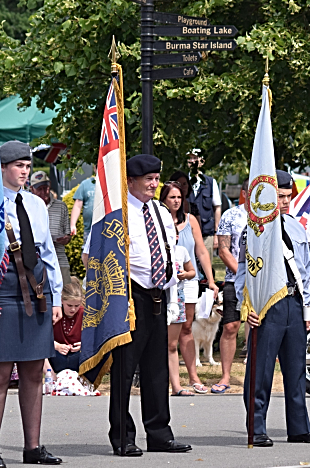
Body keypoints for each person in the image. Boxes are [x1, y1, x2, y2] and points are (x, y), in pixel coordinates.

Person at [0, 140, 63, 467]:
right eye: (18, 166)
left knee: (33, 373)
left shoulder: (35, 204)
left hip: (37, 291)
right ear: (2, 169)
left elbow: (48, 252)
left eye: (27, 166)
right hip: (1, 292)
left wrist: (54, 294)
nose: (24, 172)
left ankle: (33, 447)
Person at [236, 170, 310, 447]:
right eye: (280, 197)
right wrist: (246, 307)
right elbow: (243, 271)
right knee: (261, 370)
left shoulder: (296, 226)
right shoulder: (254, 230)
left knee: (296, 369)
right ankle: (257, 427)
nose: (285, 202)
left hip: (294, 302)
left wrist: (307, 309)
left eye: (288, 196)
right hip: (267, 306)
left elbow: (305, 269)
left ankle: (299, 428)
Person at [109, 154, 191, 457]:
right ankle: (122, 436)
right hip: (130, 294)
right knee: (125, 370)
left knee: (157, 369)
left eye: (156, 179)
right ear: (130, 180)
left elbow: (169, 247)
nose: (153, 184)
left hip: (159, 294)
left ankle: (159, 433)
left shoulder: (158, 210)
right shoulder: (117, 211)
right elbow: (96, 254)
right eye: (148, 180)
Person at [159, 182, 218, 394]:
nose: (175, 201)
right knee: (166, 330)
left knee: (187, 327)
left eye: (178, 197)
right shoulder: (158, 218)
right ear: (164, 199)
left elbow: (201, 251)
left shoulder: (190, 220)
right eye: (171, 197)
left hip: (190, 280)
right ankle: (166, 376)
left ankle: (193, 376)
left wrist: (210, 280)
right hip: (165, 283)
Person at [213, 179, 249, 394]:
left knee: (257, 328)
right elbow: (224, 250)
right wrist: (243, 274)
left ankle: (254, 374)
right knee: (230, 327)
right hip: (234, 279)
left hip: (262, 282)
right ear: (244, 192)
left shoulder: (270, 216)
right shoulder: (231, 215)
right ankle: (225, 376)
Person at [165, 229, 197, 396]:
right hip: (156, 298)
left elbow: (192, 272)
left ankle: (176, 386)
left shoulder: (181, 251)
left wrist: (185, 274)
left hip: (176, 298)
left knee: (171, 344)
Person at [30, 171, 72, 285]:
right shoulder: (27, 207)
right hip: (37, 259)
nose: (44, 192)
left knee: (66, 293)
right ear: (32, 189)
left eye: (46, 188)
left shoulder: (61, 206)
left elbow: (67, 234)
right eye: (40, 189)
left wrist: (66, 239)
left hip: (59, 258)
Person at [186, 150, 221, 256]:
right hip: (187, 233)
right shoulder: (183, 181)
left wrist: (216, 234)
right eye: (189, 158)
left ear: (202, 161)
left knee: (205, 267)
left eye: (195, 158)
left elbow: (217, 208)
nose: (192, 161)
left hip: (207, 234)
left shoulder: (210, 182)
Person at [49, 277, 84, 373]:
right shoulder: (54, 312)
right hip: (56, 355)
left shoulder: (84, 313)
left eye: (77, 306)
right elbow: (41, 338)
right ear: (61, 300)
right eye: (69, 305)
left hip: (78, 355)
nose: (73, 309)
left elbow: (95, 337)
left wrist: (84, 345)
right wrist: (56, 346)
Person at [70, 166, 96, 241]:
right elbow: (77, 206)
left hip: (107, 229)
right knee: (87, 251)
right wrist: (72, 225)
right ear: (94, 168)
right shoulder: (86, 184)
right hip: (89, 230)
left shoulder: (110, 184)